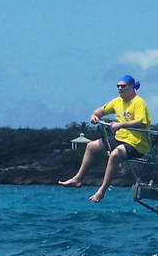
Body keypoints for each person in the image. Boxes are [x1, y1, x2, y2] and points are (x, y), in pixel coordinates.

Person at [59, 75, 150, 203]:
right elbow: (99, 111)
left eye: (123, 86)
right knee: (91, 146)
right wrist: (94, 116)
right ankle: (78, 179)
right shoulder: (117, 101)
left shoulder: (138, 102)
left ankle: (101, 191)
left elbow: (141, 121)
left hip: (137, 144)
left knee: (115, 154)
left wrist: (120, 124)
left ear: (131, 87)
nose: (119, 88)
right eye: (118, 86)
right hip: (120, 138)